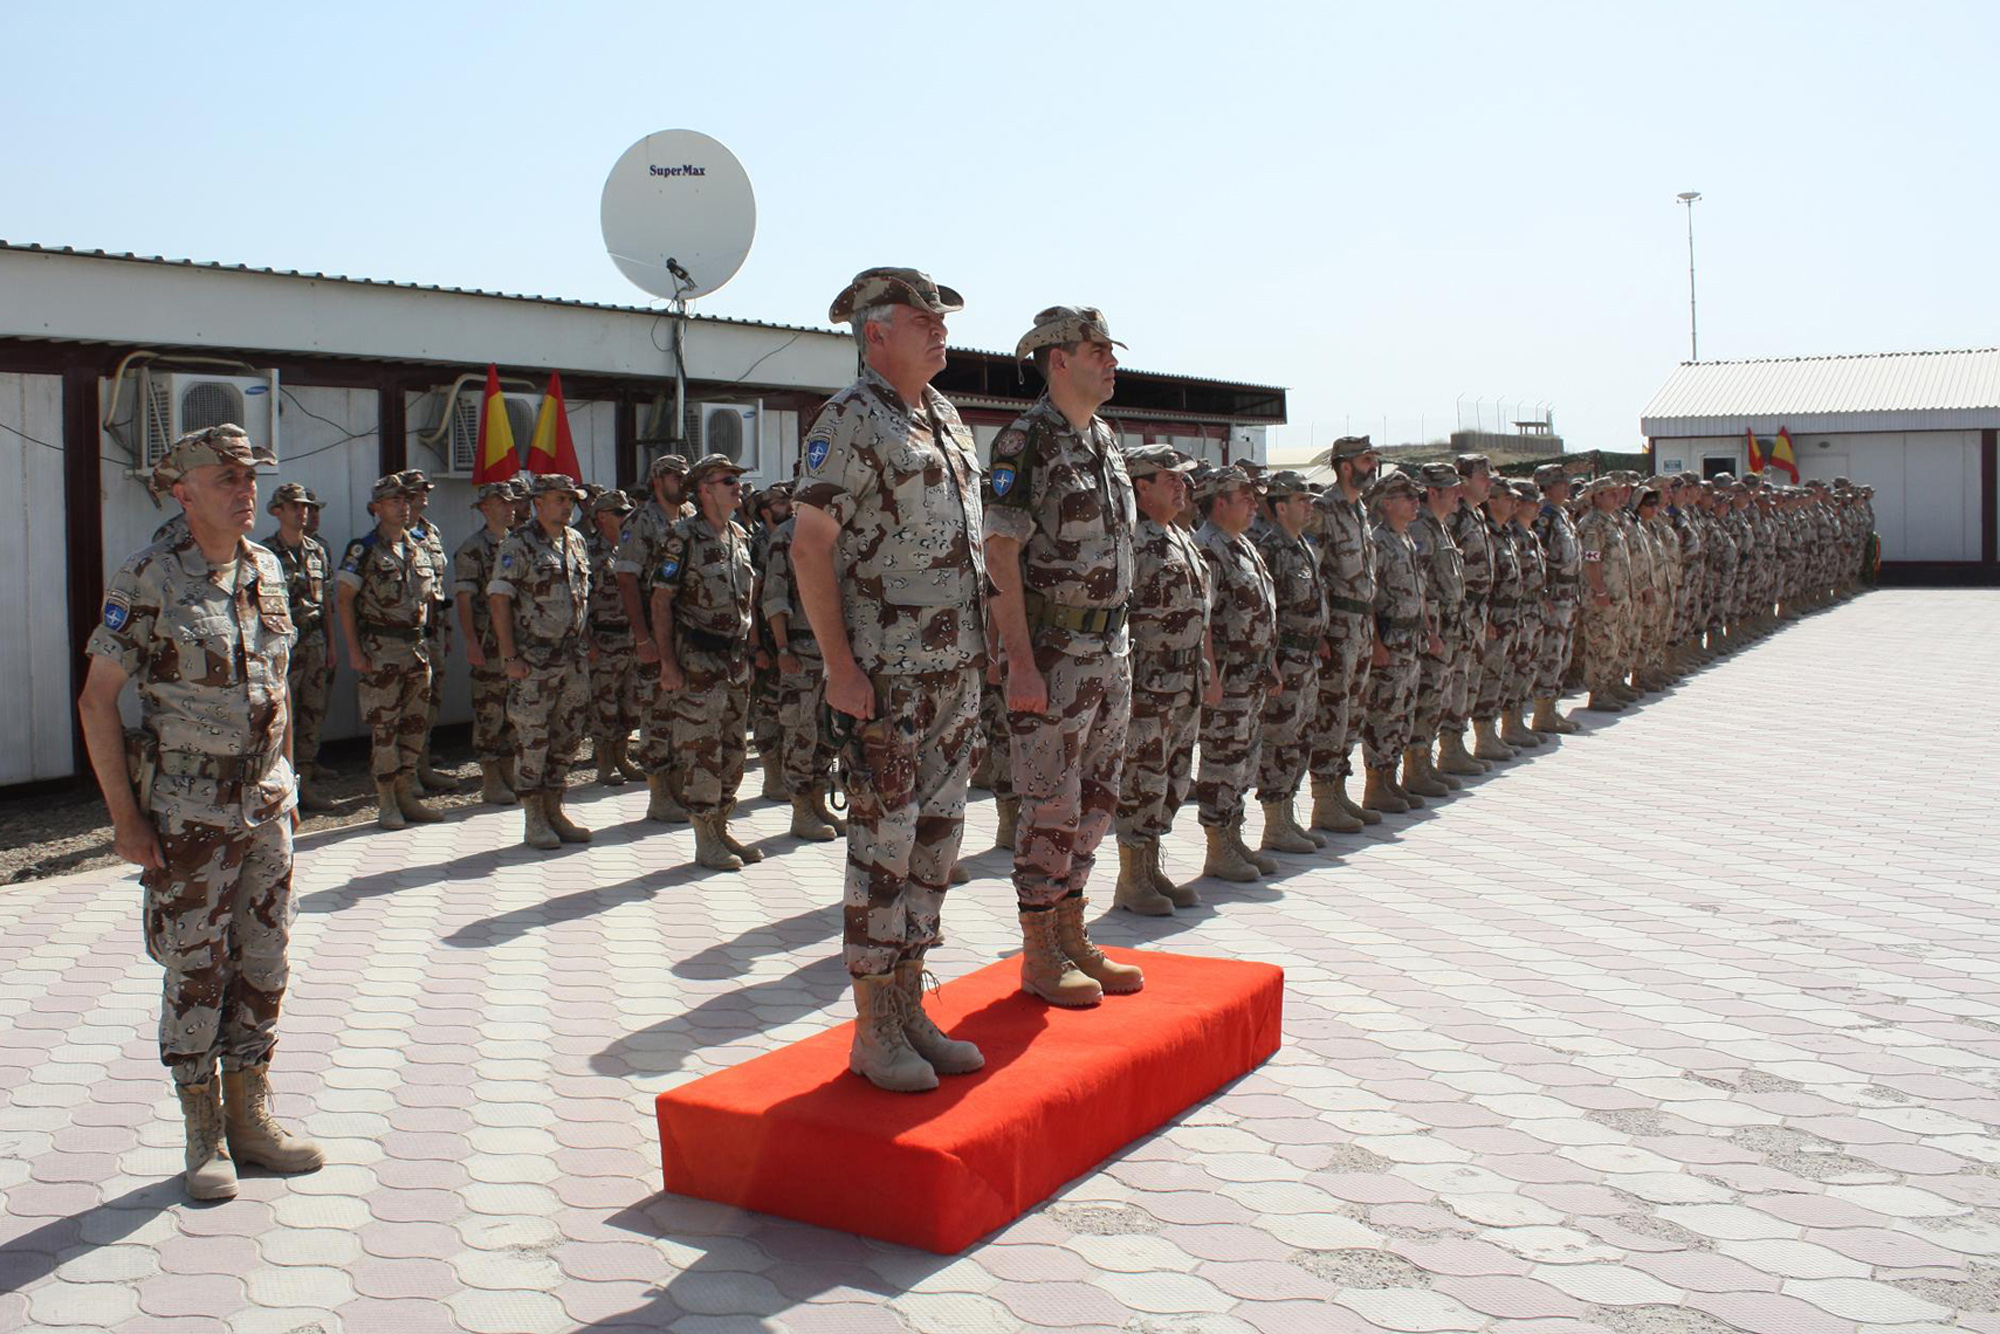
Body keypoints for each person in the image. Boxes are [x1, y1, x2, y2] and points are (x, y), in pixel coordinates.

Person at [77, 424, 324, 1202]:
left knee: (265, 959)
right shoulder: (147, 578)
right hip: (189, 813)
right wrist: (126, 820)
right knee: (197, 968)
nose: (245, 490)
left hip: (266, 804)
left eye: (250, 477)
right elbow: (97, 701)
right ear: (183, 493)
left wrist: (286, 783)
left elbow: (277, 686)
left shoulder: (268, 568)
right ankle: (203, 1132)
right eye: (227, 478)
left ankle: (253, 1119)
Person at [792, 267, 988, 1093]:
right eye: (921, 318)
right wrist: (840, 668)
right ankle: (874, 1027)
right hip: (888, 679)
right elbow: (809, 547)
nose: (940, 329)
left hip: (955, 672)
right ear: (875, 332)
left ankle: (909, 1007)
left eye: (942, 318)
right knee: (884, 845)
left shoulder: (944, 417)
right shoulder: (849, 419)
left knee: (937, 841)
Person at [983, 305, 1145, 1005]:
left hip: (1110, 649)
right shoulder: (1026, 443)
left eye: (1111, 350)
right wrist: (1018, 663)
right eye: (1097, 350)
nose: (1111, 362)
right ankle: (1040, 951)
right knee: (1050, 803)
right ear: (1059, 360)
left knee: (1099, 799)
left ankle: (1073, 931)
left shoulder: (1105, 439)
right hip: (1053, 655)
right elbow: (999, 556)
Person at [650, 454, 762, 869]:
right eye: (728, 480)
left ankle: (721, 827)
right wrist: (667, 663)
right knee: (701, 750)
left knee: (733, 750)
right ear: (705, 489)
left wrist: (753, 649)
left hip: (735, 660)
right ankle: (704, 838)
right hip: (698, 660)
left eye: (737, 479)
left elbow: (748, 600)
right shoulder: (682, 537)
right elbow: (660, 601)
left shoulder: (739, 534)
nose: (737, 486)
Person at [1113, 446, 1211, 914]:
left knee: (1173, 780)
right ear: (1142, 487)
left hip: (1185, 682)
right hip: (1148, 684)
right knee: (1142, 780)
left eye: (1183, 479)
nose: (1182, 486)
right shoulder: (1129, 541)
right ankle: (1132, 880)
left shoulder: (1180, 536)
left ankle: (1151, 869)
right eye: (1170, 478)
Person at [490, 473, 593, 849]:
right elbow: (499, 599)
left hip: (572, 658)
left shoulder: (576, 540)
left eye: (571, 500)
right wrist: (510, 656)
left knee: (567, 738)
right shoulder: (518, 543)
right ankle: (533, 817)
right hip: (534, 660)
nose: (567, 506)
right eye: (560, 499)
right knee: (534, 739)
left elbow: (581, 598)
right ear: (538, 503)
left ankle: (554, 809)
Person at [336, 476, 444, 828]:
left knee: (414, 727)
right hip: (381, 652)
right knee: (385, 731)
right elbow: (344, 601)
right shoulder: (364, 550)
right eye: (394, 501)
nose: (403, 506)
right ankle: (386, 802)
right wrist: (354, 651)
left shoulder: (418, 547)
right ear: (376, 508)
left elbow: (429, 600)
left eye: (406, 500)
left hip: (417, 649)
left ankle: (406, 794)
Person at [1193, 465, 1280, 881]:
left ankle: (1234, 837)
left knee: (1244, 760)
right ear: (1219, 502)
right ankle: (1218, 847)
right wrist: (1210, 674)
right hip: (1228, 676)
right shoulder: (1208, 547)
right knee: (1222, 760)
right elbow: (1204, 619)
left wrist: (1270, 662)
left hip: (1252, 674)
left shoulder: (1242, 544)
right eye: (1245, 498)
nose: (1254, 505)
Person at [1252, 469, 1330, 854]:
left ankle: (1287, 816)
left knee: (1301, 739)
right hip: (1285, 660)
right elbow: (1265, 614)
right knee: (1279, 741)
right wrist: (1271, 664)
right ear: (1281, 507)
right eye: (1301, 500)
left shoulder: (1302, 547)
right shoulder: (1271, 549)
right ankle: (1274, 823)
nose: (1309, 506)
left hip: (1307, 660)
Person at [1307, 436, 1381, 833]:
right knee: (1332, 714)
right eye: (1367, 460)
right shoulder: (1324, 509)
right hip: (1337, 627)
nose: (1373, 466)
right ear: (1346, 466)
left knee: (1353, 713)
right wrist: (1320, 631)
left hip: (1361, 625)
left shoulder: (1360, 510)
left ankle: (1338, 792)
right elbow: (1313, 574)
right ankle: (1323, 800)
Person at [761, 493, 844, 842]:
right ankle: (800, 810)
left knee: (828, 730)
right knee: (801, 730)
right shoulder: (787, 535)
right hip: (802, 648)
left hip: (836, 650)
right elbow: (775, 596)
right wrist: (782, 648)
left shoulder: (842, 531)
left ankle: (818, 801)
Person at [617, 454, 695, 823]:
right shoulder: (641, 521)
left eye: (685, 476)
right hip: (656, 629)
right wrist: (642, 637)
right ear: (658, 480)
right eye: (676, 476)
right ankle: (660, 795)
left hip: (687, 632)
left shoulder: (690, 515)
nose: (683, 482)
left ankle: (679, 788)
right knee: (658, 712)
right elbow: (627, 579)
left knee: (683, 713)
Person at [1359, 470, 1435, 811]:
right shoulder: (1378, 542)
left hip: (1410, 640)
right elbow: (1370, 600)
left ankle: (1391, 779)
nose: (1416, 502)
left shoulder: (1405, 539)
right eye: (1408, 497)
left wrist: (1427, 630)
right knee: (1383, 713)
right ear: (1387, 503)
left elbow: (1419, 592)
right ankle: (1376, 784)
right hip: (1390, 640)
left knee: (1402, 712)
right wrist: (1376, 644)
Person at [264, 482, 334, 811]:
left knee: (313, 713)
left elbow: (327, 602)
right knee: (281, 717)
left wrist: (332, 645)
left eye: (305, 506)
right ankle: (282, 788)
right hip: (282, 647)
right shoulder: (264, 553)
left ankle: (305, 784)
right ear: (278, 511)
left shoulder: (317, 551)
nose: (302, 512)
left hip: (315, 641)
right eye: (295, 506)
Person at [1403, 463, 1468, 802]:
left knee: (1438, 698)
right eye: (1452, 489)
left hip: (1449, 628)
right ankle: (1415, 769)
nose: (1459, 494)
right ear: (1433, 492)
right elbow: (1420, 586)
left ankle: (1425, 763)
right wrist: (1429, 631)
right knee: (1427, 698)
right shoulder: (1421, 529)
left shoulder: (1440, 527)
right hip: (1433, 632)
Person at [454, 480, 522, 805]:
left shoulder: (518, 543)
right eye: (502, 503)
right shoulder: (473, 548)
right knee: (489, 710)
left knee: (513, 709)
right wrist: (470, 641)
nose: (510, 508)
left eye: (511, 502)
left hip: (517, 641)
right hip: (489, 641)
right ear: (485, 508)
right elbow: (464, 599)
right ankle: (491, 778)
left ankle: (509, 770)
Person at [398, 470, 460, 794]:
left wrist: (445, 629)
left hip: (434, 630)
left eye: (426, 490)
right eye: (417, 490)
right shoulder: (394, 534)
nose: (424, 495)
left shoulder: (431, 531)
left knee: (432, 699)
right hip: (406, 633)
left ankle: (422, 762)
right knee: (406, 704)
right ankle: (404, 773)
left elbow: (437, 583)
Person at [584, 489, 646, 786]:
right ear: (602, 517)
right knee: (604, 703)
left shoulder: (631, 548)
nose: (626, 518)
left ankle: (622, 756)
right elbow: (579, 599)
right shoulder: (588, 551)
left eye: (628, 513)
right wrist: (587, 640)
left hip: (631, 638)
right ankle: (605, 762)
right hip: (604, 638)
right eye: (619, 513)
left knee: (631, 703)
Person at [1528, 464, 1583, 734]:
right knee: (1550, 655)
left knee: (1562, 654)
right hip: (1554, 595)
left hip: (1568, 594)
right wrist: (1544, 592)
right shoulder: (1544, 516)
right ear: (1547, 487)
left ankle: (1551, 709)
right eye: (1562, 483)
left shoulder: (1561, 514)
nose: (1567, 487)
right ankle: (1542, 713)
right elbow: (1539, 557)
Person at [1575, 476, 1633, 711]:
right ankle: (1597, 692)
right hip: (1600, 597)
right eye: (1611, 493)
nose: (1617, 497)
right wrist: (1599, 591)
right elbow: (1591, 561)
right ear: (1597, 497)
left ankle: (1612, 684)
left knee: (1614, 641)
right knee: (1601, 643)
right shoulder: (1592, 524)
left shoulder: (1611, 520)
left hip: (1616, 594)